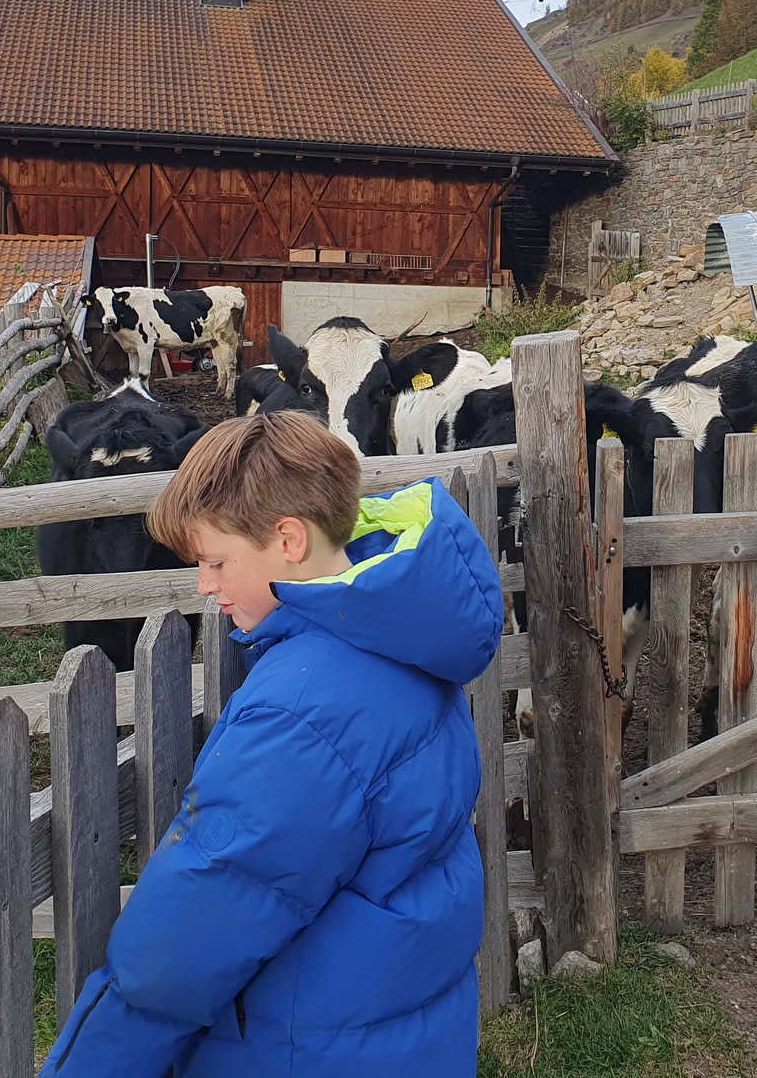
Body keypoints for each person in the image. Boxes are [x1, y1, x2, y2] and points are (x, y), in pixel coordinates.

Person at [40, 409, 502, 1077]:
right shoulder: (396, 635)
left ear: (288, 539)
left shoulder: (303, 715)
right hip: (396, 1030)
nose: (204, 584)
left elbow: (191, 935)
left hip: (302, 1050)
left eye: (216, 560)